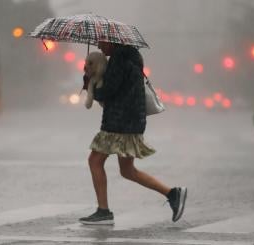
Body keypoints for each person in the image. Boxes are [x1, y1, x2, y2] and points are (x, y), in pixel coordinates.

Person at [79, 41, 187, 225]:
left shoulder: (119, 59)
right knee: (128, 171)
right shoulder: (127, 57)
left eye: (102, 41)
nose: (99, 45)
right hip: (128, 121)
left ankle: (103, 211)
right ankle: (173, 193)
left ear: (112, 40)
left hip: (120, 122)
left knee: (95, 161)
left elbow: (108, 90)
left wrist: (90, 82)